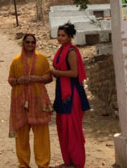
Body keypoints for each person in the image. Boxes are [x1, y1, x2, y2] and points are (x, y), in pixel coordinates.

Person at [8, 34, 54, 168]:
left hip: (38, 100)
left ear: (35, 44)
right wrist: (18, 81)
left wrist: (36, 78)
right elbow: (10, 79)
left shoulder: (42, 59)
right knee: (21, 135)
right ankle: (23, 164)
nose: (30, 45)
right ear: (23, 43)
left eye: (32, 42)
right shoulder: (15, 61)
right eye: (27, 42)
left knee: (41, 134)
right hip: (20, 101)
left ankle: (43, 163)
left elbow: (49, 77)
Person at [50, 23, 90, 168]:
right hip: (62, 91)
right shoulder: (61, 50)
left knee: (72, 129)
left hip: (72, 94)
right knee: (64, 128)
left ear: (69, 36)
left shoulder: (71, 51)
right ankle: (69, 161)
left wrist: (55, 72)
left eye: (63, 35)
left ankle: (77, 162)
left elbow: (74, 73)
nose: (60, 38)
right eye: (58, 35)